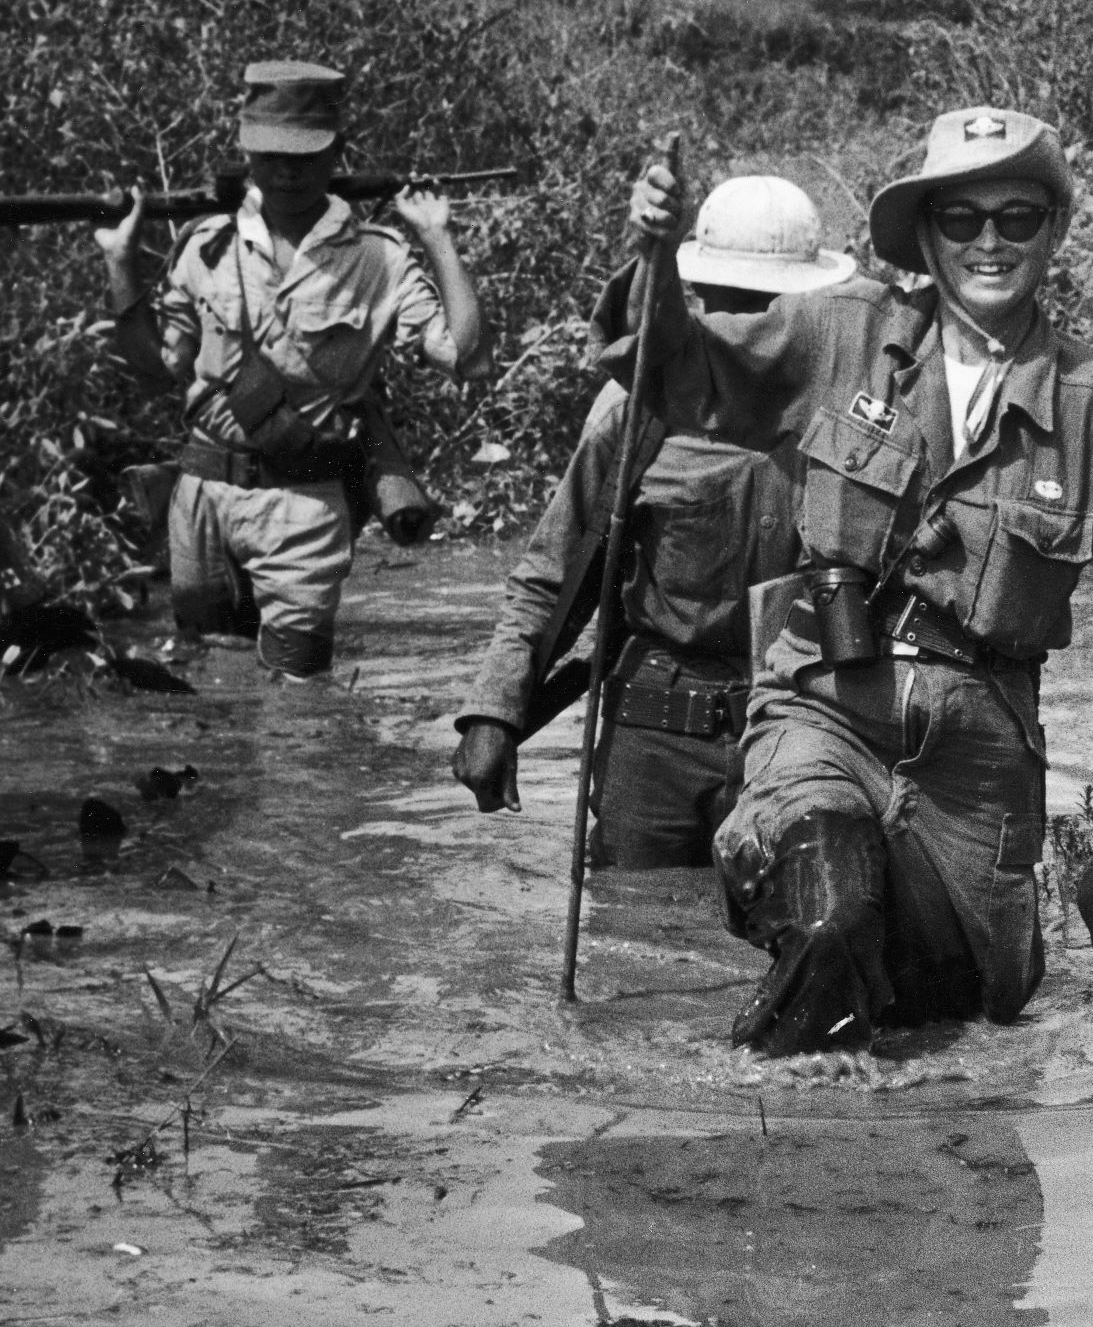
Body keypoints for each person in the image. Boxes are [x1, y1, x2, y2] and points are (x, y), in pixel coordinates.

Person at [617, 107, 1093, 1053]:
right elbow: (687, 372)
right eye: (962, 220)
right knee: (830, 916)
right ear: (927, 235)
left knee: (961, 1013)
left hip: (978, 761)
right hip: (824, 709)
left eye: (1017, 217)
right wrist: (654, 260)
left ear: (1054, 231)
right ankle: (773, 1143)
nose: (989, 242)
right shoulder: (844, 332)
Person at [453, 176, 853, 867]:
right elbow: (553, 571)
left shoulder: (851, 413)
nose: (745, 327)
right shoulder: (634, 411)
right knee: (630, 932)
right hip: (656, 732)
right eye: (731, 303)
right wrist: (495, 712)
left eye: (766, 307)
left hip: (803, 724)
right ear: (696, 296)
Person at [95, 60, 483, 678]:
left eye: (304, 154)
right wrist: (121, 266)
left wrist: (438, 238)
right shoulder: (205, 245)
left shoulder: (377, 258)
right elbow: (154, 368)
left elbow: (462, 356)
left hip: (303, 506)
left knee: (300, 703)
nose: (286, 170)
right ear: (246, 151)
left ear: (337, 154)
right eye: (270, 153)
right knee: (211, 683)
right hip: (202, 499)